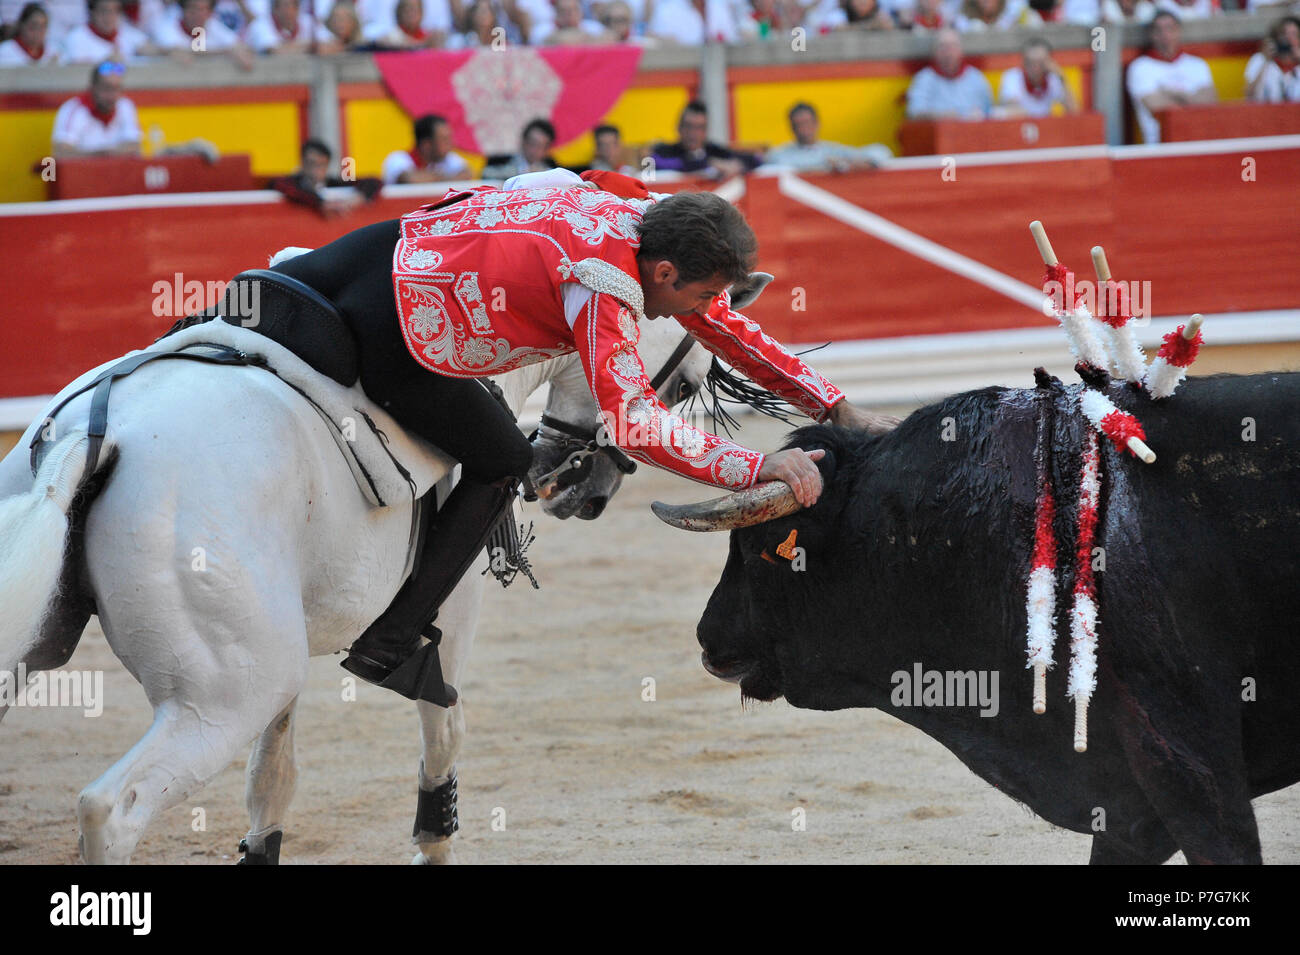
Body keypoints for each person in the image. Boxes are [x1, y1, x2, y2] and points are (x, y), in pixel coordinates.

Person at [263, 168, 888, 699]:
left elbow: (724, 326)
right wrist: (755, 467)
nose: (695, 313)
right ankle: (391, 644)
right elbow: (633, 421)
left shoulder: (638, 214)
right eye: (696, 295)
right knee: (505, 460)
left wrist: (832, 405)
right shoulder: (603, 283)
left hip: (367, 251)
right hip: (396, 326)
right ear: (665, 273)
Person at [1125, 10, 1214, 144]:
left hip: (1201, 140)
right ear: (1151, 34)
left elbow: (1211, 103)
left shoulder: (1198, 64)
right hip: (1159, 145)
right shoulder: (1140, 67)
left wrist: (1173, 94)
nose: (1165, 35)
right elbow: (1160, 110)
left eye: (1170, 28)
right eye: (1159, 30)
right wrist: (1192, 99)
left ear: (1178, 31)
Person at [51, 59, 141, 156]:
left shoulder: (125, 105)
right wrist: (100, 157)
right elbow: (62, 152)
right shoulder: (73, 109)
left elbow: (134, 146)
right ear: (92, 88)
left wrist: (106, 156)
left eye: (117, 88)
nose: (112, 95)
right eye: (107, 88)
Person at [764, 102, 891, 170]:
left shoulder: (832, 150)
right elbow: (774, 166)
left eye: (807, 123)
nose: (804, 129)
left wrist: (852, 163)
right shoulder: (781, 154)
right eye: (799, 124)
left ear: (817, 123)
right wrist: (827, 165)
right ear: (792, 128)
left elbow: (882, 152)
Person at [270, 137, 383, 214]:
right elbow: (279, 184)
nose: (316, 169)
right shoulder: (291, 184)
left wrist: (359, 197)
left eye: (322, 164)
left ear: (327, 164)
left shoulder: (334, 183)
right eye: (312, 163)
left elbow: (374, 181)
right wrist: (320, 203)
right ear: (303, 163)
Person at [650, 100, 763, 177]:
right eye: (689, 126)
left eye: (699, 127)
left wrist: (737, 165)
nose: (693, 133)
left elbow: (756, 160)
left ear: (706, 130)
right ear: (679, 127)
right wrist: (709, 164)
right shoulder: (665, 151)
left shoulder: (714, 150)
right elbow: (652, 165)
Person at [905, 28, 992, 120]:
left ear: (960, 51)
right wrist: (943, 116)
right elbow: (914, 112)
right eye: (943, 47)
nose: (948, 53)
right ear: (935, 52)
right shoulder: (924, 79)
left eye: (953, 46)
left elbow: (989, 112)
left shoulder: (976, 77)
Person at [998, 36, 1078, 117]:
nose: (1035, 68)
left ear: (1049, 62)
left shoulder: (1053, 79)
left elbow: (1073, 112)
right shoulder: (1012, 77)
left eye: (1040, 63)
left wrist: (1061, 77)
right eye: (1030, 63)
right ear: (1023, 62)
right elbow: (1013, 110)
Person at [381, 113, 470, 183]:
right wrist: (446, 178)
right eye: (444, 139)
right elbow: (410, 179)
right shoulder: (397, 158)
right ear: (426, 145)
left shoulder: (449, 158)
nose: (451, 143)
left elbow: (467, 174)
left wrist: (435, 178)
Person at [60, 0, 153, 61]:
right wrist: (106, 63)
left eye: (114, 10)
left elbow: (150, 48)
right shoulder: (76, 36)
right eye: (104, 10)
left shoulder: (127, 32)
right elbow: (75, 68)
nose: (109, 16)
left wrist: (161, 51)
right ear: (92, 12)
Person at [481, 117, 558, 179]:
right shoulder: (499, 162)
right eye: (532, 143)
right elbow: (485, 174)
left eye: (540, 146)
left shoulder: (552, 170)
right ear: (523, 142)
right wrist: (520, 173)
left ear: (547, 150)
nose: (534, 150)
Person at [1245, 16, 1300, 103]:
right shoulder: (1259, 59)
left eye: (1293, 34)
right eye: (1284, 34)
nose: (1288, 39)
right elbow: (1249, 96)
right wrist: (1266, 61)